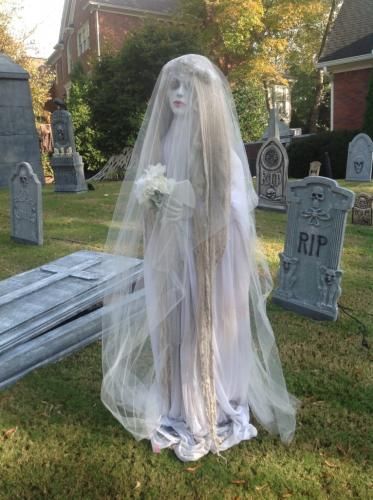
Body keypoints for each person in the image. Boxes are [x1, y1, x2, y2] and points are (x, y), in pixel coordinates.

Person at [101, 54, 298, 462]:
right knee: (175, 323)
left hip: (210, 254)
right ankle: (177, 400)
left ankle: (207, 401)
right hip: (173, 252)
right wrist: (156, 197)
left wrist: (194, 198)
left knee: (203, 324)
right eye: (172, 87)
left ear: (204, 96)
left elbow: (239, 198)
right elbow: (153, 185)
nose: (176, 95)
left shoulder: (215, 143)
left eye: (186, 88)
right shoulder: (167, 137)